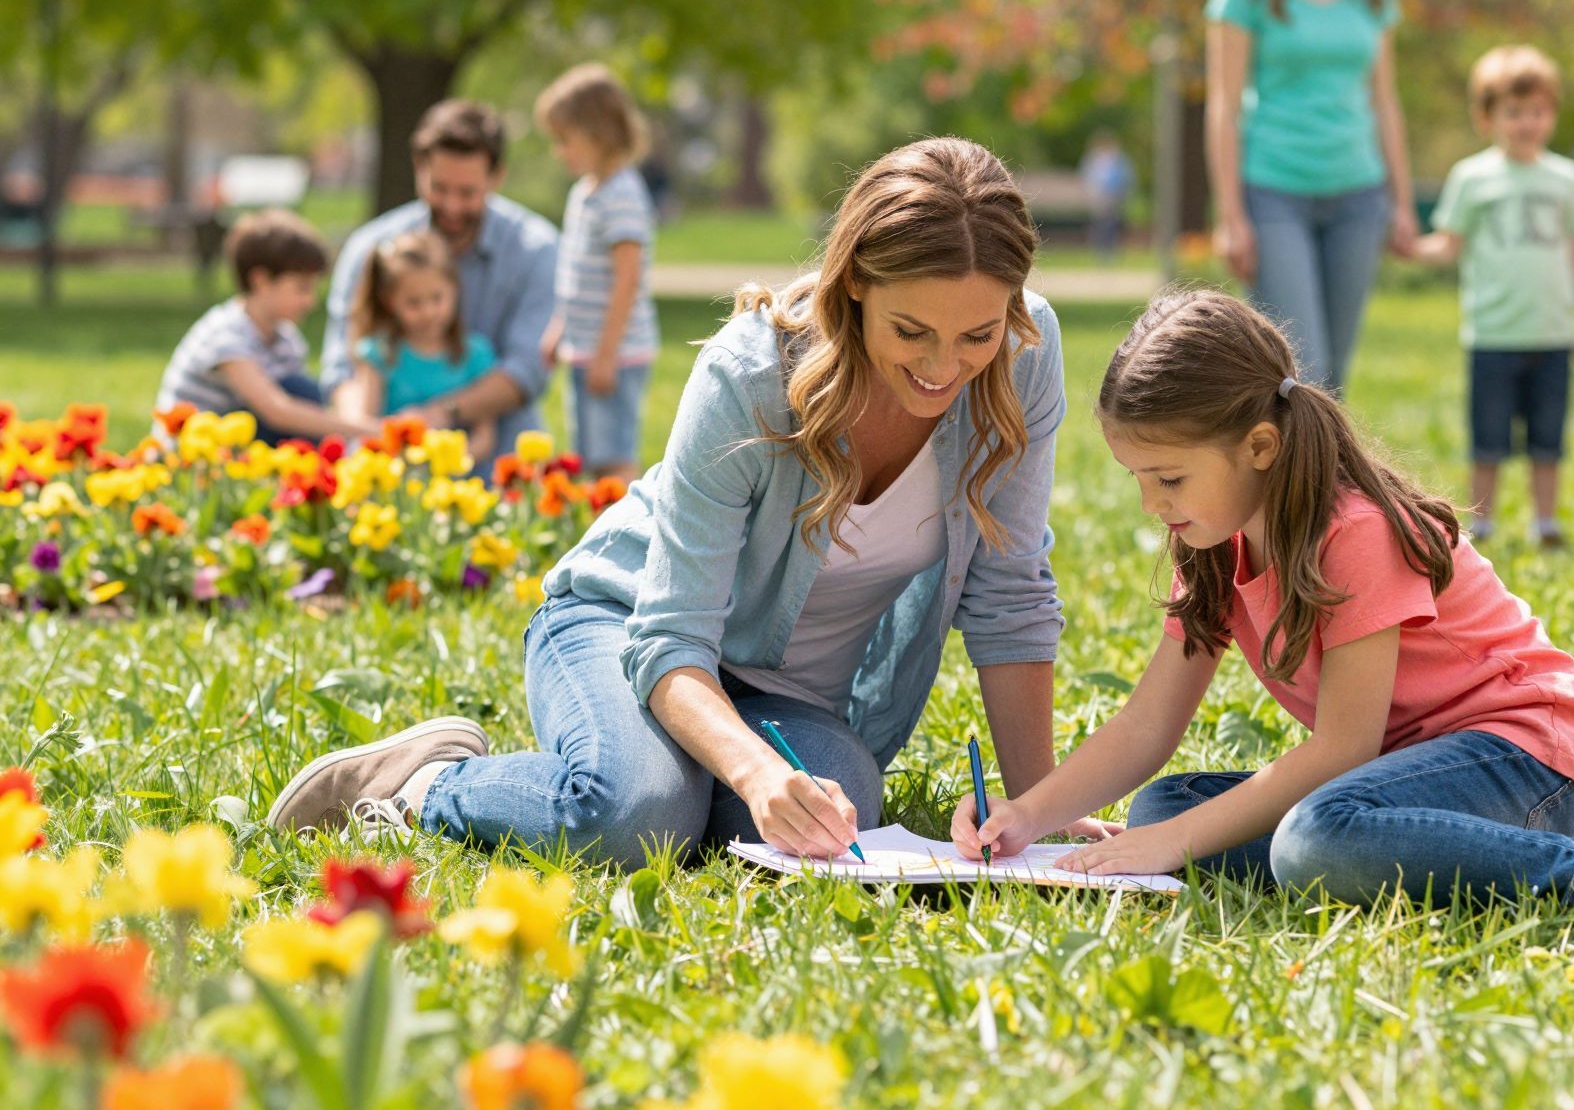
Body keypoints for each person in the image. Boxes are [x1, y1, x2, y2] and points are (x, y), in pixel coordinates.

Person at [266, 138, 1107, 870]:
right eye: (911, 331)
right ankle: (429, 781)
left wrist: (1041, 805)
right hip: (625, 628)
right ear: (853, 286)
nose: (943, 367)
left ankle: (677, 780)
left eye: (976, 334)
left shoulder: (1024, 354)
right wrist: (750, 772)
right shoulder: (752, 374)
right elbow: (671, 635)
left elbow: (1009, 593)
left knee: (842, 803)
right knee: (634, 819)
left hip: (787, 698)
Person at [953, 290, 1574, 924]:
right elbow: (1147, 727)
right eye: (1137, 478)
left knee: (1313, 839)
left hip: (1520, 760)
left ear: (1259, 449)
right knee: (1164, 808)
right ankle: (1425, 852)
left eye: (1167, 478)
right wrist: (1028, 814)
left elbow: (1344, 746)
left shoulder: (1353, 531)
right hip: (1396, 781)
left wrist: (1164, 847)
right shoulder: (1212, 540)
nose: (1149, 503)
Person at [1204, 0, 1418, 395]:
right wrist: (1231, 215)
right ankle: (1282, 485)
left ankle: (1319, 487)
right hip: (1275, 191)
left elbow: (1386, 103)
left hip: (1359, 195)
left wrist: (1401, 201)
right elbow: (1224, 106)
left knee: (1334, 376)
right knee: (1301, 372)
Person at [1412, 47, 1574, 546]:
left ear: (1552, 115)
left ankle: (1546, 522)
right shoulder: (1472, 177)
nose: (1526, 123)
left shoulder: (1567, 179)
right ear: (1486, 117)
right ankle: (1484, 522)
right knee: (1488, 439)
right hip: (1492, 334)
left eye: (1537, 112)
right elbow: (1448, 244)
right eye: (1513, 113)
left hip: (1553, 333)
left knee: (1548, 440)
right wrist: (1407, 246)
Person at [320, 102, 559, 444]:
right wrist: (370, 433)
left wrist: (434, 418)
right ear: (418, 167)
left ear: (497, 177)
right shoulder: (371, 248)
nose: (451, 206)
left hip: (497, 463)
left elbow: (526, 371)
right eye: (439, 188)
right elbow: (343, 367)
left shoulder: (536, 250)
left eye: (467, 193)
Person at [535, 64, 661, 480]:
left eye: (564, 140)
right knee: (588, 452)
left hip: (615, 355)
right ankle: (597, 529)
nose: (559, 151)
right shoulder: (584, 192)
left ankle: (625, 530)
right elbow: (575, 276)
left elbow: (628, 278)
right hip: (586, 350)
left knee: (613, 455)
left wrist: (607, 354)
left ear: (599, 134)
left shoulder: (622, 194)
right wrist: (559, 328)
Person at [155, 209, 375, 445]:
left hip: (234, 444)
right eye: (301, 288)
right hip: (192, 453)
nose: (310, 301)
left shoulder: (285, 337)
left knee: (305, 393)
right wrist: (366, 430)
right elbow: (277, 411)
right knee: (299, 394)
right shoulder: (225, 333)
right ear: (260, 280)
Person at [332, 229, 501, 459]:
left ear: (454, 290)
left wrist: (451, 462)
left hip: (453, 481)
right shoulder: (379, 353)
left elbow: (485, 436)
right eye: (414, 303)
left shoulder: (475, 353)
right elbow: (364, 427)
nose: (428, 312)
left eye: (437, 298)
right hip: (394, 475)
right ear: (390, 302)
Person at [1079, 130, 1135, 264]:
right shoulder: (1092, 161)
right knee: (1100, 225)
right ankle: (1100, 252)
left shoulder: (1119, 161)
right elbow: (1087, 179)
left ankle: (1111, 252)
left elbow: (1126, 179)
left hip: (1114, 198)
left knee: (1112, 225)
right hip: (1098, 198)